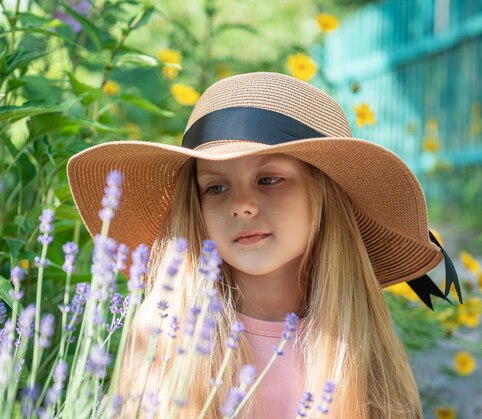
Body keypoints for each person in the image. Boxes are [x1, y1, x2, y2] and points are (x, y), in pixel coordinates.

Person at [66, 72, 462, 418]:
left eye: (269, 179)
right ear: (196, 207)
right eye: (216, 187)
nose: (241, 205)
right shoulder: (167, 332)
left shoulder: (357, 341)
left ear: (323, 197)